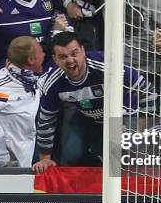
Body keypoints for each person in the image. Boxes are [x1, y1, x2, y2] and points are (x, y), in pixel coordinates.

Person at [34, 32, 153, 171]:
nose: (70, 60)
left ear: (83, 51)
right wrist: (45, 159)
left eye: (74, 53)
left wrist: (142, 128)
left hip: (123, 117)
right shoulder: (51, 83)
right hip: (86, 117)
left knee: (125, 159)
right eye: (63, 57)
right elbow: (47, 120)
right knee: (71, 155)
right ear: (55, 59)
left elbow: (148, 91)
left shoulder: (109, 68)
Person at [0, 37, 45, 167]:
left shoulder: (35, 80)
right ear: (31, 60)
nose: (44, 54)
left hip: (25, 161)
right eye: (41, 52)